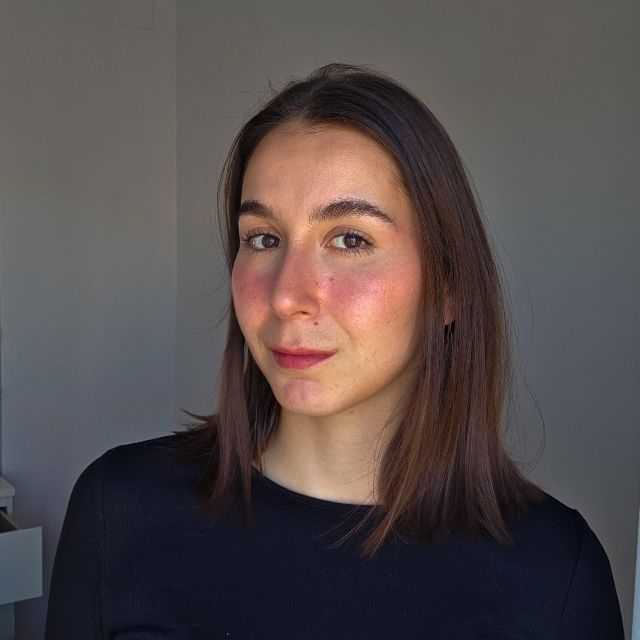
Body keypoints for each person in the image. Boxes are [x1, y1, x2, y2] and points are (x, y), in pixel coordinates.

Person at [45, 63, 625, 639]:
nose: (287, 295)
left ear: (448, 285)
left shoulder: (554, 575)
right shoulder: (119, 510)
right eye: (263, 239)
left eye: (350, 239)